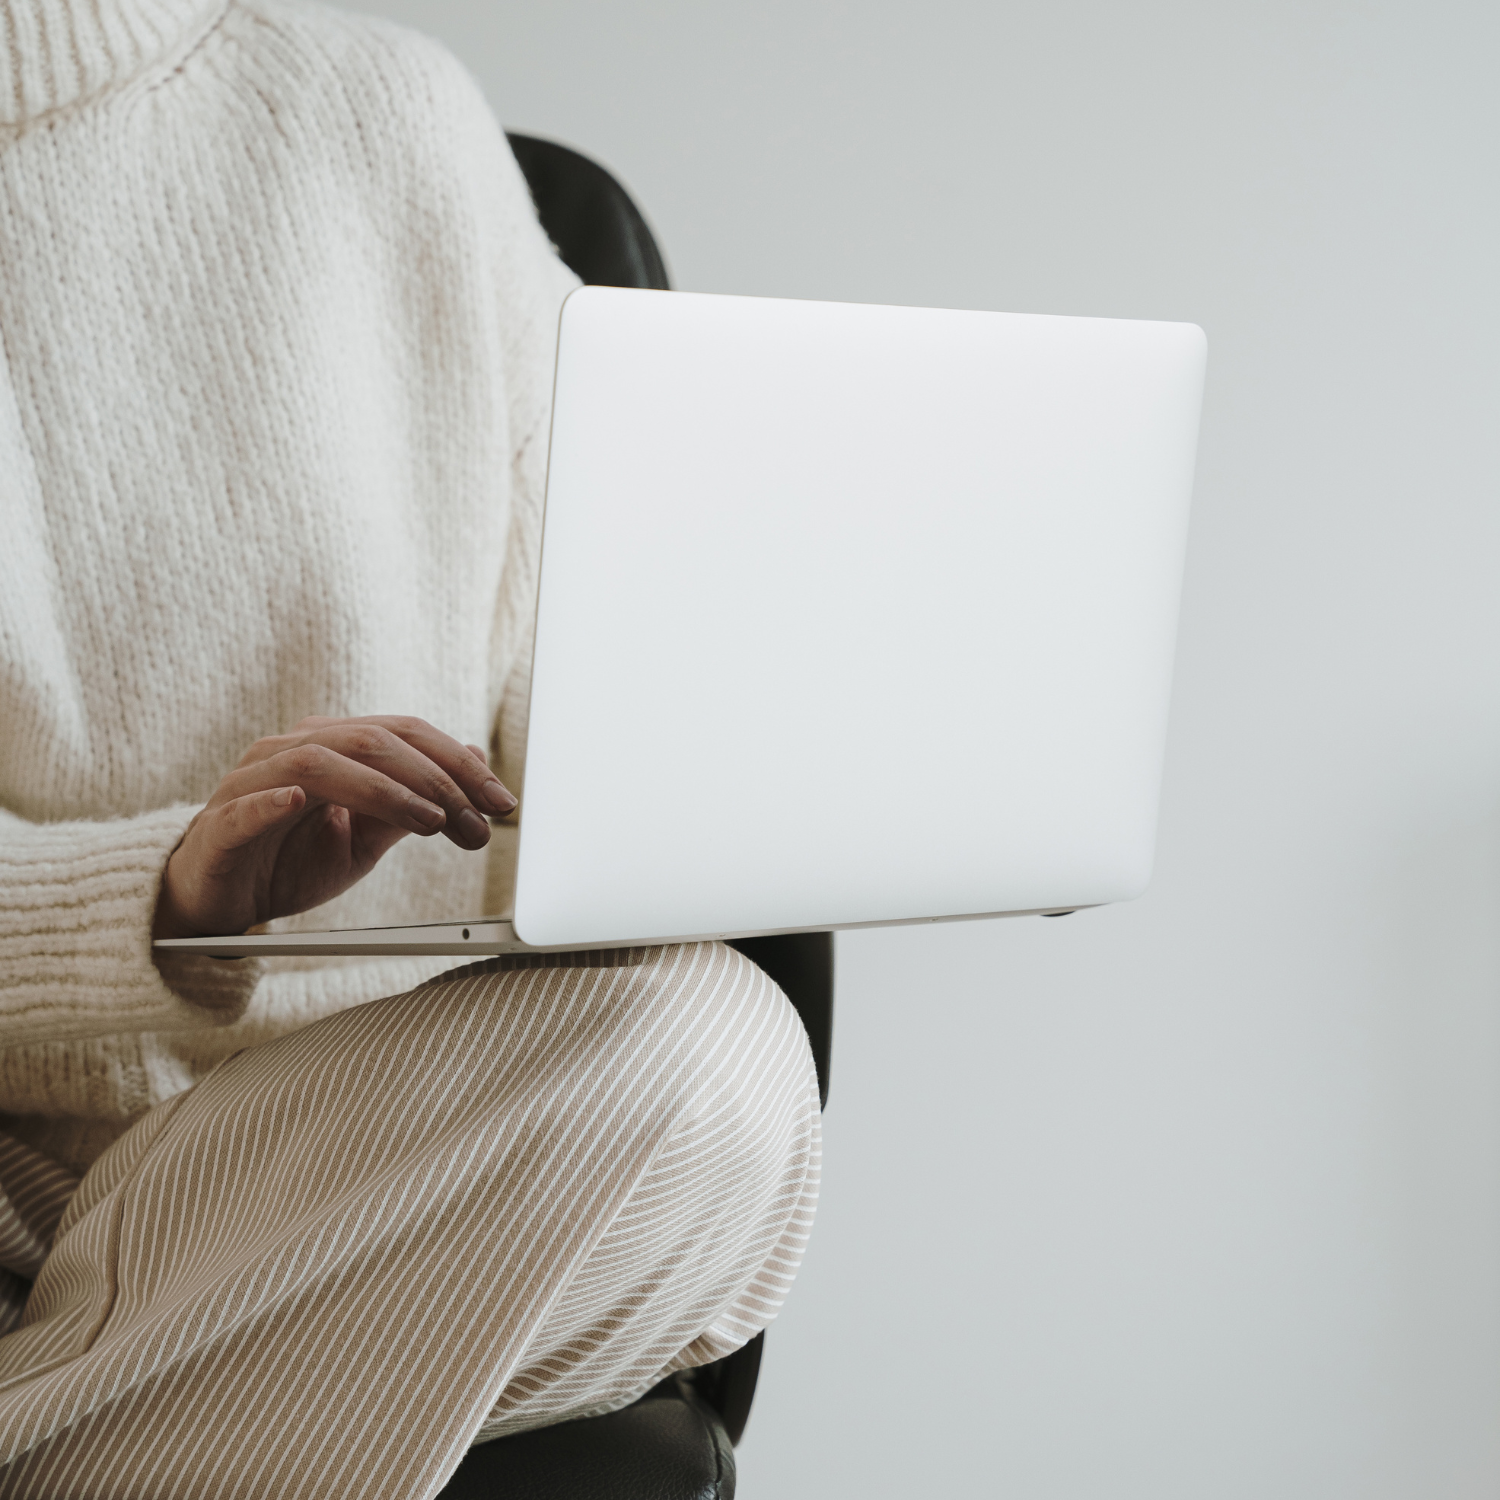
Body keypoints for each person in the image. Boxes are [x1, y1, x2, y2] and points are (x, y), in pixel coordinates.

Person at [0, 0, 820, 1494]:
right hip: (19, 1179)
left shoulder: (390, 118)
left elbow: (621, 688)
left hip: (405, 1156)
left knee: (714, 1062)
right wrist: (167, 900)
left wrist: (786, 755)